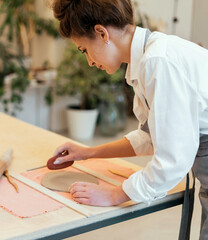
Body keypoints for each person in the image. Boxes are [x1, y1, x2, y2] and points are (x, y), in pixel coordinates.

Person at [50, 0, 208, 239]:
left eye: (84, 50)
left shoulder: (158, 61)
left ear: (102, 33)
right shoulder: (147, 58)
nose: (90, 62)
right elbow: (149, 137)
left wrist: (115, 195)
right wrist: (87, 153)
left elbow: (173, 160)